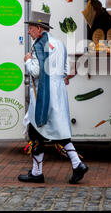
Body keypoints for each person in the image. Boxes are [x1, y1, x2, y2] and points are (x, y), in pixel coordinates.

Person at [18, 11, 88, 184]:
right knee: (60, 131)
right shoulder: (59, 43)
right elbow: (66, 71)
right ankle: (77, 163)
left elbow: (36, 71)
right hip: (58, 92)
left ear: (39, 28)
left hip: (43, 92)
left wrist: (27, 60)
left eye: (30, 28)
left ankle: (37, 172)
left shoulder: (38, 45)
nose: (28, 31)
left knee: (35, 131)